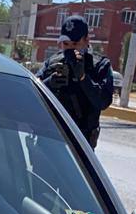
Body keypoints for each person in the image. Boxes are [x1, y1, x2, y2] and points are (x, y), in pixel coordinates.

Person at [38, 15, 113, 149]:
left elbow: (103, 102)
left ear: (86, 40)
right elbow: (32, 92)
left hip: (80, 144)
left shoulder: (99, 66)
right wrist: (49, 83)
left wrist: (83, 78)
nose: (71, 49)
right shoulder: (53, 62)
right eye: (66, 44)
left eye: (75, 44)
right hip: (49, 139)